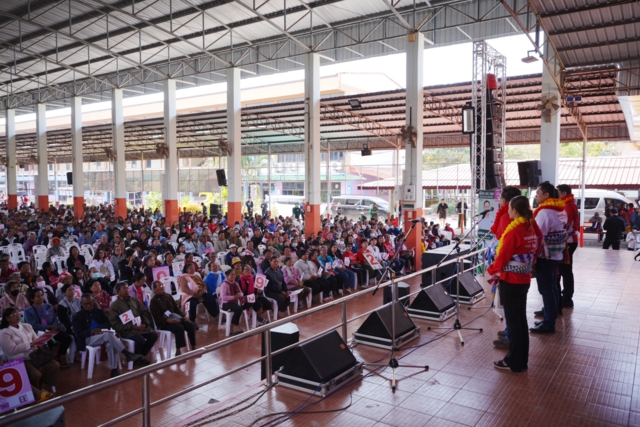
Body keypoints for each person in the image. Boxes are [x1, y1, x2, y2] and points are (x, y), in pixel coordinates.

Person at [487, 196, 540, 372]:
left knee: (514, 321)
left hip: (511, 280)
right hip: (524, 279)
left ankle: (515, 361)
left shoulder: (515, 231)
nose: (508, 211)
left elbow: (503, 257)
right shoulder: (530, 227)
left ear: (515, 211)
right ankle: (521, 359)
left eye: (509, 208)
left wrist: (491, 269)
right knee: (520, 320)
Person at [72, 294, 142, 378]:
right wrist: (91, 332)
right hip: (87, 338)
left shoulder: (98, 311)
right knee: (108, 336)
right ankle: (127, 354)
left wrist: (99, 328)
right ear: (81, 303)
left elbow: (107, 323)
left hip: (102, 335)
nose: (89, 305)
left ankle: (114, 370)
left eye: (90, 303)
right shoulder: (77, 316)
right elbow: (78, 332)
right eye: (86, 304)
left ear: (93, 302)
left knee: (110, 343)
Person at [0, 307, 60, 402]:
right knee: (35, 374)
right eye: (14, 315)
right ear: (7, 318)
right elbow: (12, 350)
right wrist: (30, 345)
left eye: (18, 314)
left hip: (34, 355)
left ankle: (40, 387)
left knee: (54, 365)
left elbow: (35, 340)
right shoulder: (5, 332)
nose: (18, 316)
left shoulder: (27, 326)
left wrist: (37, 345)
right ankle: (36, 394)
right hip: (20, 358)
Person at [531, 182, 567, 334]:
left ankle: (549, 324)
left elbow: (538, 236)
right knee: (552, 287)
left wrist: (532, 258)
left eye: (538, 193)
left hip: (546, 257)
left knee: (546, 290)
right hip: (557, 254)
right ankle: (549, 317)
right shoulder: (561, 210)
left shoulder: (544, 212)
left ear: (546, 195)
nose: (536, 196)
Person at [108, 282, 158, 365]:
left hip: (140, 327)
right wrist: (131, 327)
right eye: (124, 289)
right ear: (118, 292)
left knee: (154, 336)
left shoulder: (134, 300)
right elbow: (115, 324)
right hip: (127, 331)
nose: (127, 290)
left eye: (127, 288)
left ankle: (139, 355)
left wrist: (145, 323)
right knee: (140, 340)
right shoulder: (114, 306)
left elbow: (144, 312)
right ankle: (136, 360)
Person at [23, 288, 73, 367]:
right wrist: (49, 326)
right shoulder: (28, 311)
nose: (41, 297)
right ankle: (49, 363)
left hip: (51, 330)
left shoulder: (48, 306)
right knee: (49, 343)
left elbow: (54, 319)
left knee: (67, 338)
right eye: (38, 296)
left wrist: (54, 327)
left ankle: (58, 356)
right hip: (38, 333)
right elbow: (33, 325)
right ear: (32, 299)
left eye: (41, 295)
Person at [149, 281, 196, 356]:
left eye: (162, 285)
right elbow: (156, 317)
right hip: (163, 322)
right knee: (179, 328)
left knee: (190, 325)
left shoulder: (168, 296)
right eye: (159, 286)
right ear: (154, 289)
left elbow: (176, 309)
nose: (162, 287)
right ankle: (178, 350)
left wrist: (183, 316)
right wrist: (168, 320)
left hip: (173, 318)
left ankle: (193, 345)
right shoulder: (154, 301)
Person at [557, 184, 579, 308]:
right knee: (564, 270)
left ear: (564, 193)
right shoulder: (568, 204)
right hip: (567, 240)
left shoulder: (568, 205)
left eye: (558, 192)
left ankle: (567, 298)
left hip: (568, 241)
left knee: (565, 270)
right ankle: (565, 297)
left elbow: (566, 224)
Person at [218, 270, 249, 335]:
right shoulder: (224, 284)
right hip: (225, 303)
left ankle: (234, 325)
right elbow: (223, 297)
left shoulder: (236, 284)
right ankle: (232, 328)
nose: (233, 276)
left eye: (234, 274)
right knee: (239, 309)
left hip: (234, 302)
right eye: (231, 274)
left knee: (244, 306)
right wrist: (234, 297)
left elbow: (241, 293)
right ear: (227, 275)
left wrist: (239, 295)